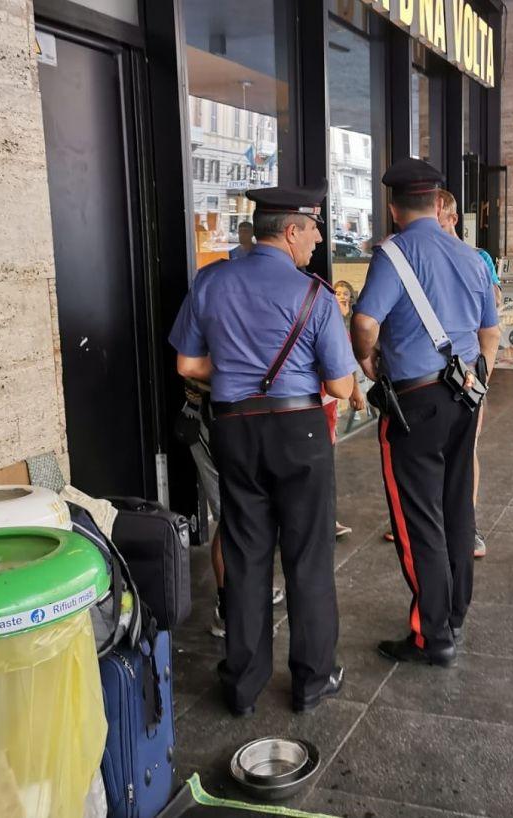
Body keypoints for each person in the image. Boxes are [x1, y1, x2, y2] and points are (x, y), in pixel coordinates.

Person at [169, 183, 356, 716]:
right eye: (314, 228)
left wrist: (233, 374)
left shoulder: (212, 281)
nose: (319, 239)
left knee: (247, 554)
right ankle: (312, 680)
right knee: (308, 556)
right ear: (292, 231)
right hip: (300, 430)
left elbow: (187, 365)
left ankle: (243, 685)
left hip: (235, 429)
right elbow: (342, 387)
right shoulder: (315, 295)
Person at [352, 158, 500, 666]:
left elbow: (367, 320)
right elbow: (489, 331)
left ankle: (431, 634)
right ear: (438, 203)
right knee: (458, 505)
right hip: (464, 395)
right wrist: (482, 379)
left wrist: (368, 362)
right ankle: (455, 611)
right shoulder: (472, 256)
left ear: (393, 208)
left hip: (415, 401)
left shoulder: (393, 254)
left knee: (418, 519)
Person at [175, 377, 284, 641]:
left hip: (240, 418)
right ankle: (227, 610)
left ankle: (250, 588)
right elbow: (190, 369)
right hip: (212, 420)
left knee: (251, 511)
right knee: (232, 516)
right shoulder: (205, 334)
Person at [437, 188, 501, 558]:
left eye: (438, 217)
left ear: (452, 218)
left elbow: (492, 309)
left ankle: (467, 525)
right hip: (428, 372)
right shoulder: (414, 256)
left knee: (465, 450)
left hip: (465, 371)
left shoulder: (477, 258)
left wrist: (483, 374)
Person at [326, 279, 366, 538]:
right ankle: (326, 520)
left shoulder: (343, 325)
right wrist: (354, 390)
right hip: (322, 399)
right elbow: (344, 363)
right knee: (323, 463)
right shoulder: (332, 325)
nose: (341, 297)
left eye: (345, 294)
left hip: (327, 401)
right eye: (337, 293)